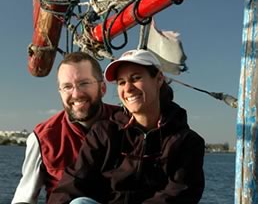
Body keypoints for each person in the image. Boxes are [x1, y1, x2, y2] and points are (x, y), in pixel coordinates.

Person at [47, 49, 205, 204]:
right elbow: (74, 181)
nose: (128, 88)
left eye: (135, 78)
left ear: (159, 79)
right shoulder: (104, 133)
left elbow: (178, 195)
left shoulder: (186, 142)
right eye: (121, 82)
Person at [12, 51, 120, 204]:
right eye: (67, 87)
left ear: (102, 88)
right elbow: (25, 197)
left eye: (84, 83)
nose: (76, 94)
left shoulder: (126, 123)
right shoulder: (43, 138)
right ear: (60, 93)